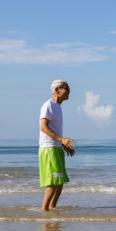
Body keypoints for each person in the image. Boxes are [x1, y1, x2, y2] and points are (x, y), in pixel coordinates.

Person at [39, 80, 75, 211]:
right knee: (53, 181)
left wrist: (63, 144)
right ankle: (44, 209)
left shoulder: (57, 107)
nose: (69, 91)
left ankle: (52, 208)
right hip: (48, 148)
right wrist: (62, 139)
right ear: (57, 90)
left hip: (56, 147)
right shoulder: (48, 105)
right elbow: (43, 127)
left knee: (60, 181)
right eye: (67, 88)